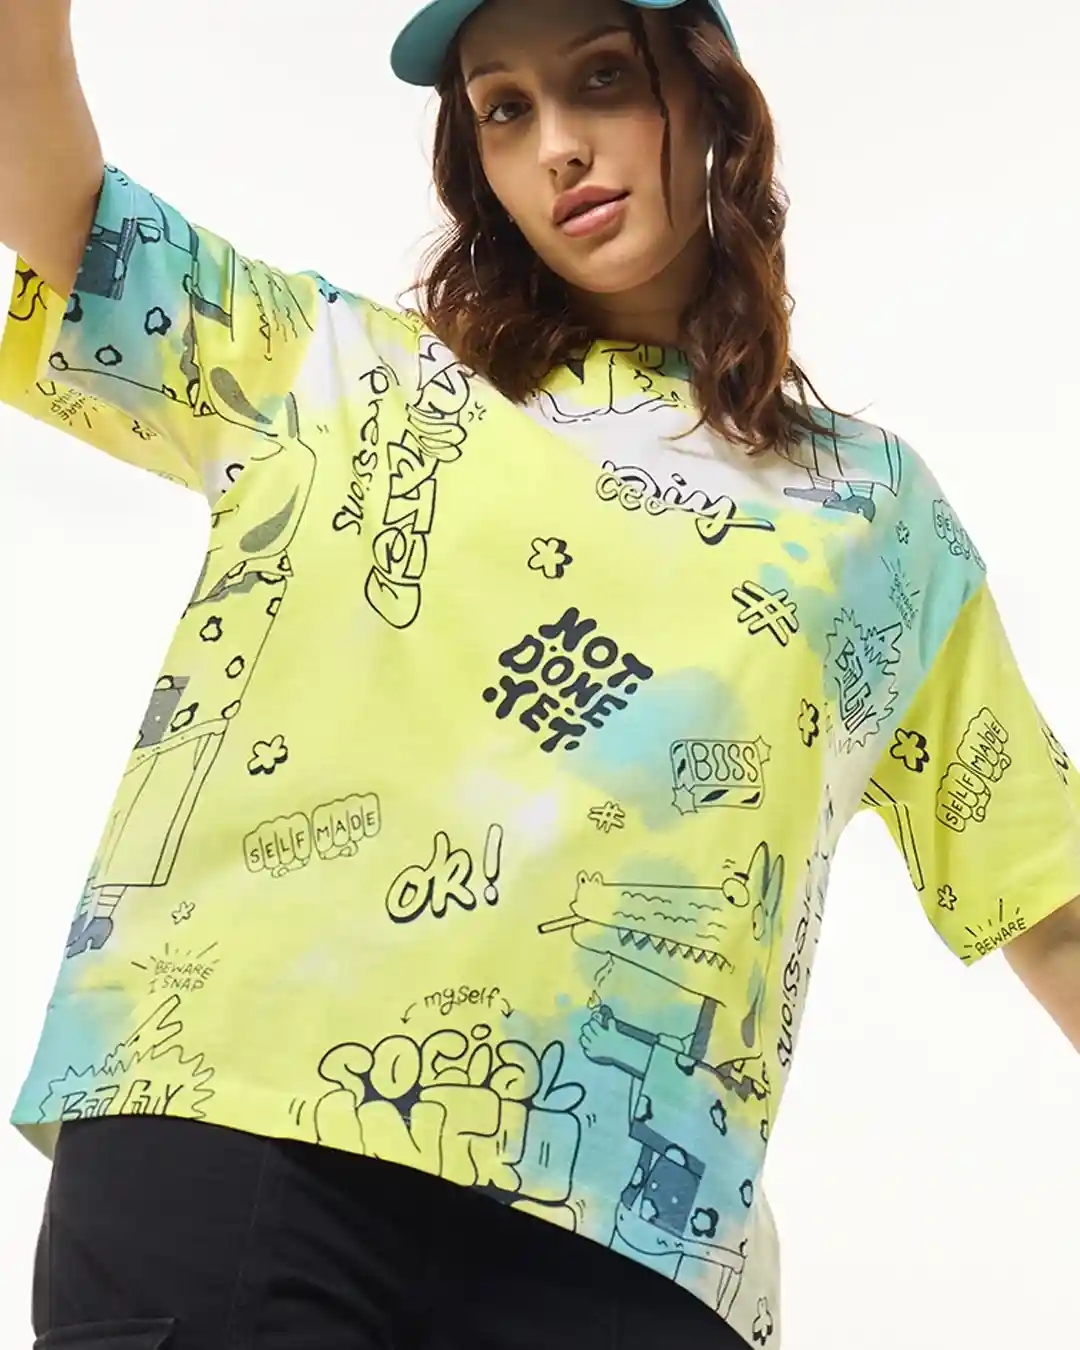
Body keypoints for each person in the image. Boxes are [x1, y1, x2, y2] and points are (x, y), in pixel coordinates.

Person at [2, 0, 1079, 1347]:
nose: (560, 144)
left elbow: (1047, 897)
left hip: (637, 1236)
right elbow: (60, 208)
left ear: (710, 101)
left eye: (605, 79)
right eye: (506, 109)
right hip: (237, 1134)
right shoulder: (339, 378)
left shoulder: (872, 519)